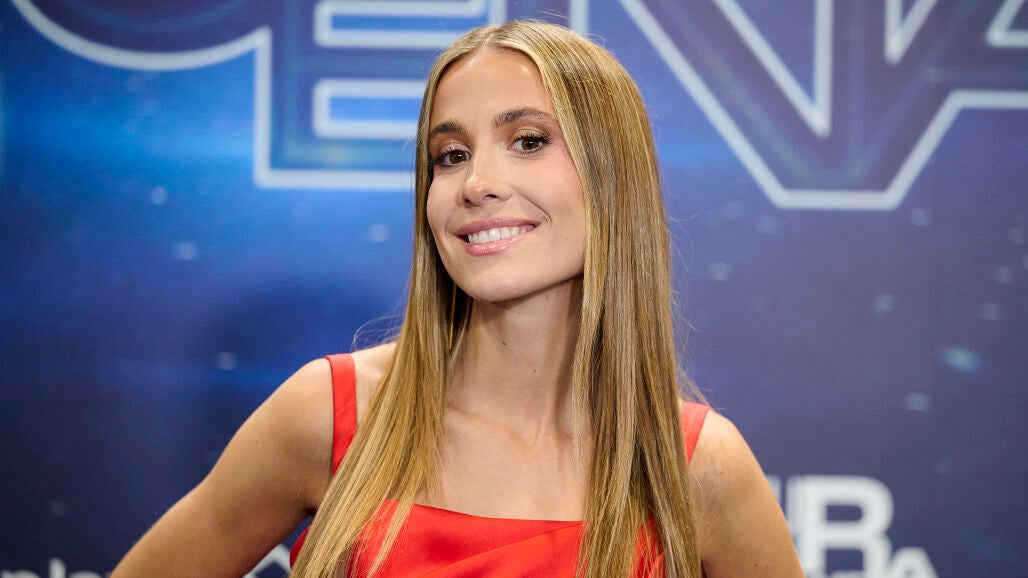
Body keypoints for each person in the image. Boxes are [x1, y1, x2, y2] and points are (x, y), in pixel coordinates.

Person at [111, 20, 803, 578]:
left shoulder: (698, 466)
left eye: (527, 141)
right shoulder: (331, 415)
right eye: (450, 155)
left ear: (613, 178)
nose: (476, 184)